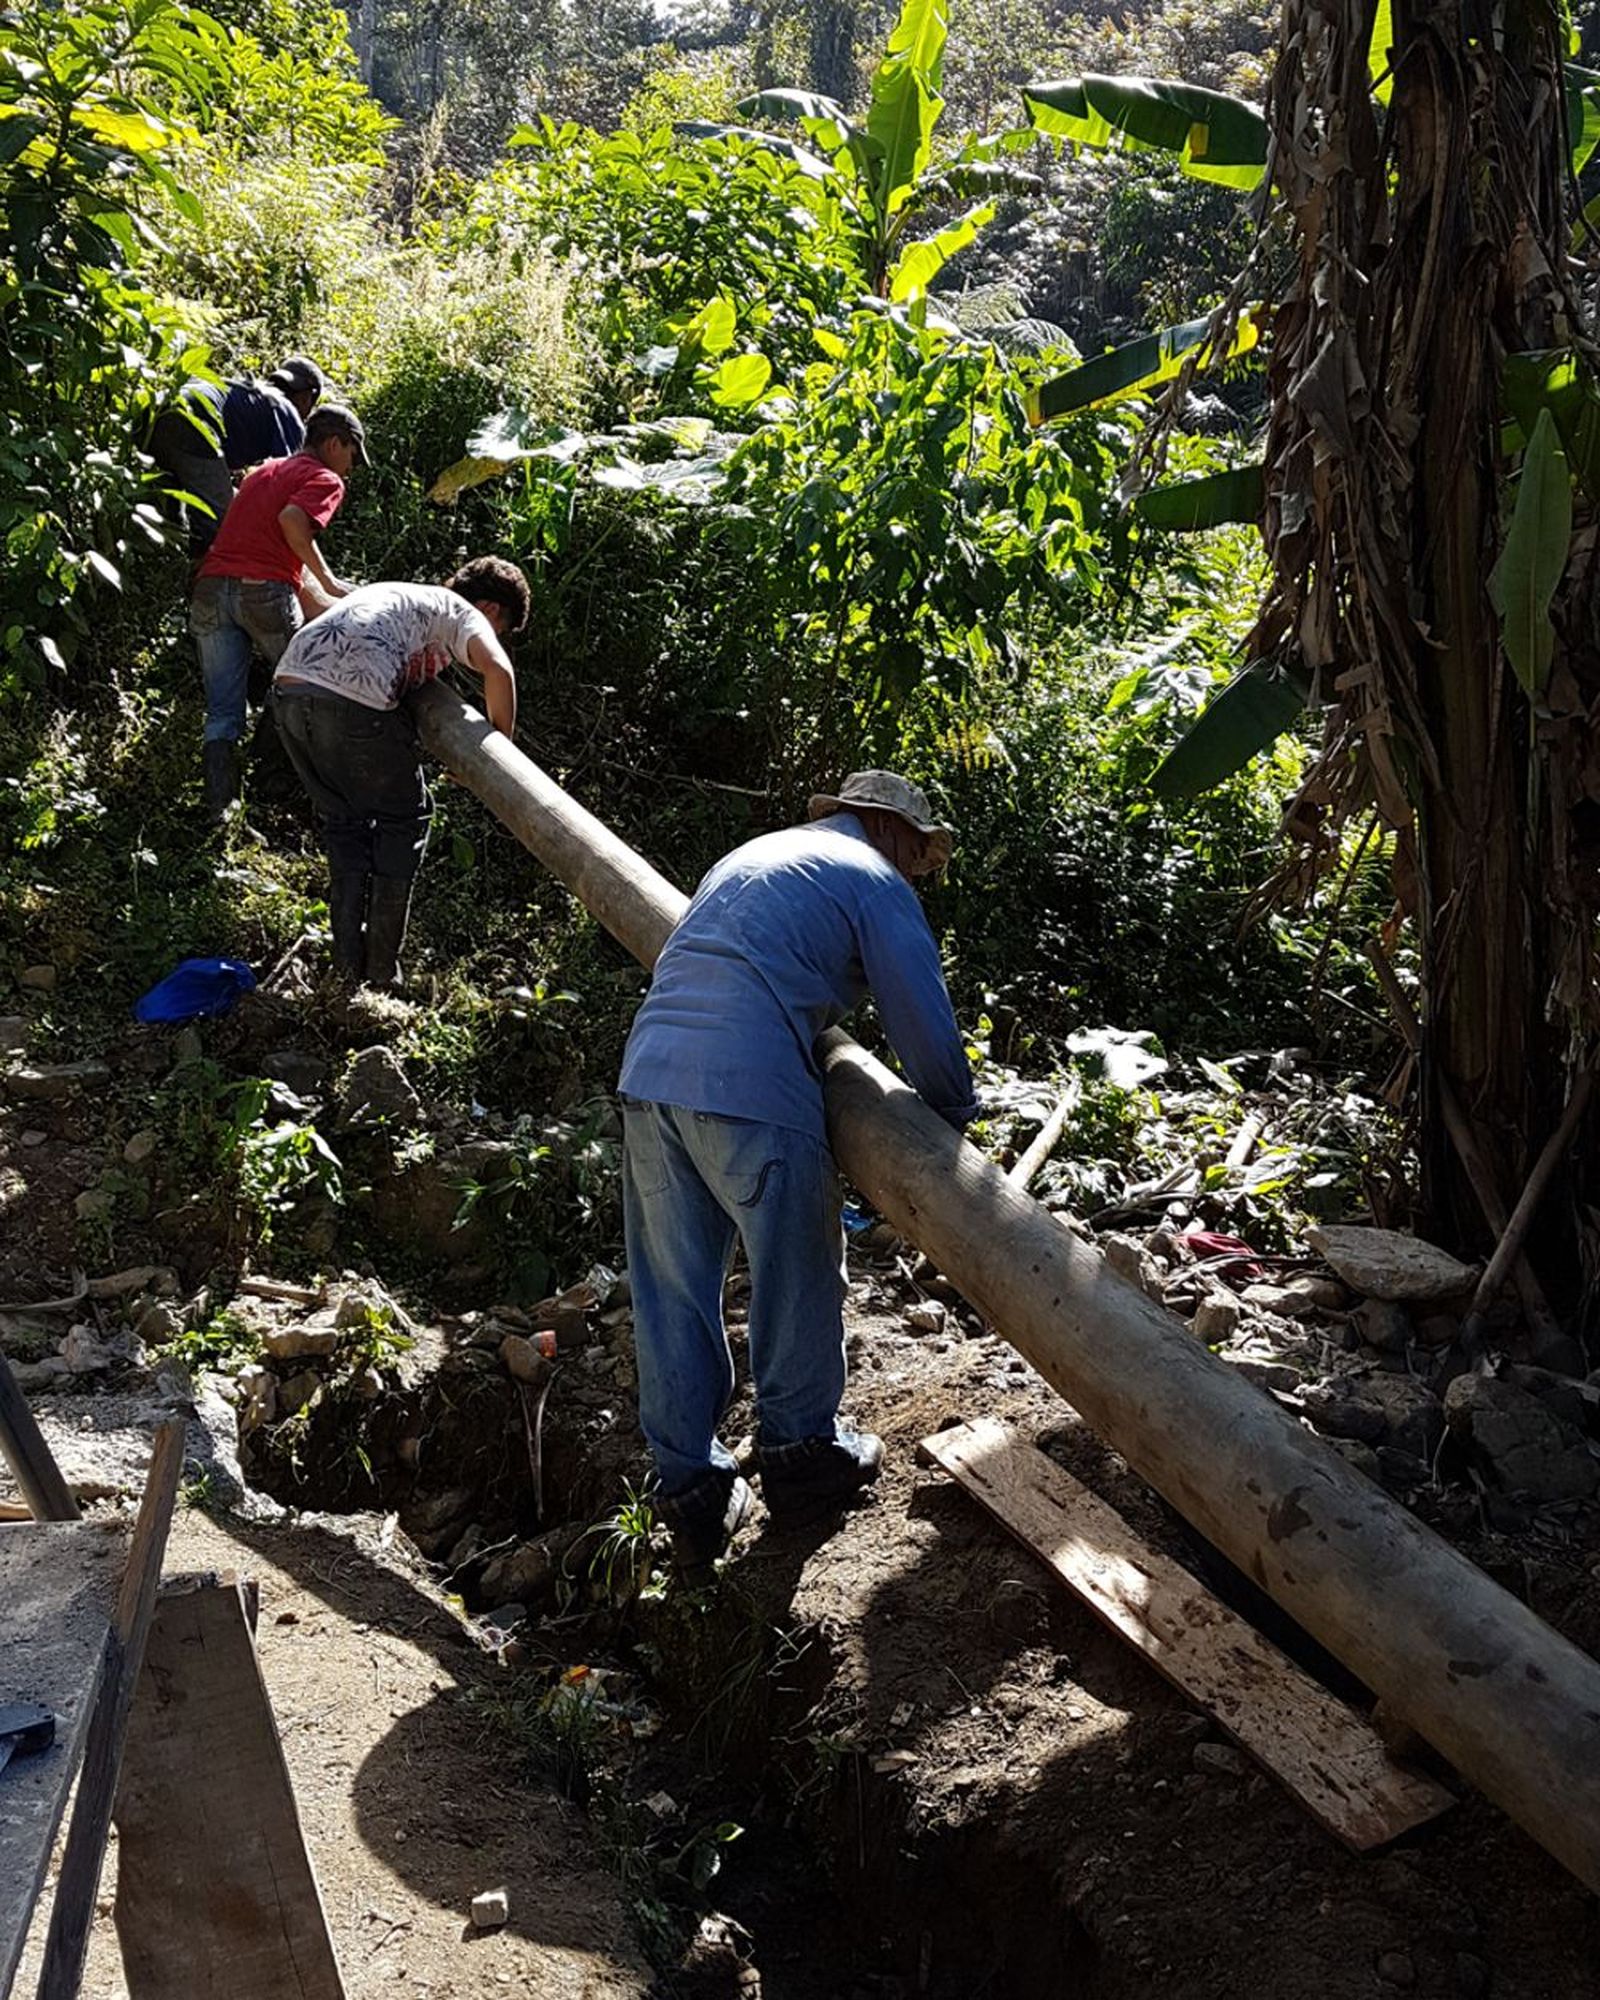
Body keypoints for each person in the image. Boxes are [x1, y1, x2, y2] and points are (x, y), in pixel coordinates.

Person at [617, 770, 980, 1580]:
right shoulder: (874, 880)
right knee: (799, 1268)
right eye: (920, 856)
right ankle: (800, 1452)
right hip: (750, 1084)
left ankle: (689, 1489)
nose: (920, 872)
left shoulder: (755, 856)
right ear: (892, 831)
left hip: (650, 1078)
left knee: (672, 1286)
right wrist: (950, 1120)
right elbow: (922, 1018)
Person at [270, 558, 529, 989]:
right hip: (350, 703)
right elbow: (498, 669)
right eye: (500, 628)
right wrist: (495, 758)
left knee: (344, 822)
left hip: (288, 695)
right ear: (490, 609)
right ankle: (382, 970)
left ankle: (346, 970)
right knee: (405, 817)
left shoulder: (395, 590)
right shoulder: (458, 610)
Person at [188, 403, 367, 818]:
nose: (351, 467)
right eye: (352, 454)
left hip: (211, 589)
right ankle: (269, 781)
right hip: (263, 592)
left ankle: (220, 806)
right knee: (302, 679)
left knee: (222, 709)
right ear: (334, 443)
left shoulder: (263, 472)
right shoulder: (323, 478)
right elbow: (291, 520)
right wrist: (329, 582)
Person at [148, 356, 327, 553]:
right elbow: (286, 486)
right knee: (224, 524)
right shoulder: (285, 409)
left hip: (153, 412)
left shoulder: (246, 394)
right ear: (306, 397)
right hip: (194, 422)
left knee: (172, 518)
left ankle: (169, 568)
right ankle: (204, 575)